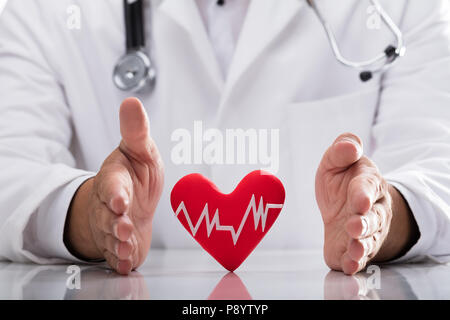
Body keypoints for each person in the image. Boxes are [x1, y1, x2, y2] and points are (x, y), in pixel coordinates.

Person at [0, 0, 449, 276]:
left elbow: (439, 171)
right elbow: (9, 171)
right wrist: (89, 213)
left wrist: (381, 218)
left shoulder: (403, 6)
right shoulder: (45, 9)